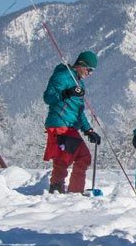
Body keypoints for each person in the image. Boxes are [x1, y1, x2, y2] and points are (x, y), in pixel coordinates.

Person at [42, 51, 101, 194]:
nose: (90, 73)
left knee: (78, 157)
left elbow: (78, 110)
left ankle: (69, 191)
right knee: (69, 158)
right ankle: (62, 190)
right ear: (81, 65)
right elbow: (48, 97)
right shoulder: (63, 76)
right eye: (89, 69)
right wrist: (67, 92)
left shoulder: (78, 83)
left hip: (70, 126)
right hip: (59, 124)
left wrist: (88, 130)